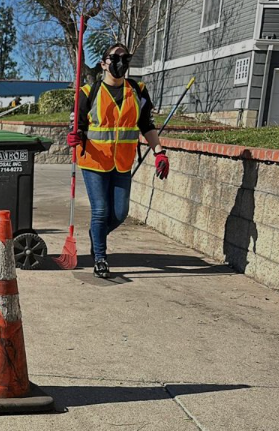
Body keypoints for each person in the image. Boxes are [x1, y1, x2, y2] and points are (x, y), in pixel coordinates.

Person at [67, 43, 169, 279]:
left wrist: (159, 152)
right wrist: (74, 136)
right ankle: (100, 258)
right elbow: (79, 127)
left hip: (122, 162)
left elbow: (147, 126)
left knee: (120, 213)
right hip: (93, 161)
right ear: (104, 63)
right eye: (115, 58)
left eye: (125, 58)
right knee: (101, 211)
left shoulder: (137, 91)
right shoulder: (87, 92)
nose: (120, 62)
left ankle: (97, 235)